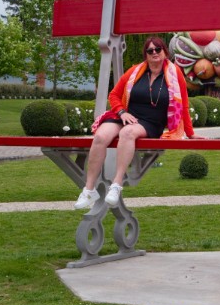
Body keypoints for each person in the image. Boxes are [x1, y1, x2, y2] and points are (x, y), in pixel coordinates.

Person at [74, 36, 203, 209]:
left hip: (151, 121)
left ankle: (116, 184)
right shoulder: (135, 71)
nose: (154, 53)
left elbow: (184, 103)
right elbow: (114, 95)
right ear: (146, 55)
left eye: (158, 49)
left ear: (165, 52)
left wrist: (190, 133)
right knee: (100, 136)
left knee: (127, 133)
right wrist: (122, 112)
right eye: (150, 50)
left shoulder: (175, 73)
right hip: (127, 116)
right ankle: (89, 190)